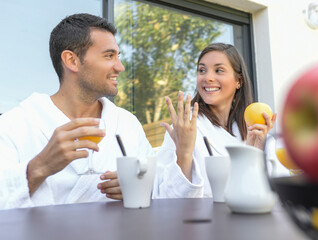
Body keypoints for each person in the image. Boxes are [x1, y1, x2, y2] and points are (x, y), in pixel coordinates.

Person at [0, 13, 153, 209]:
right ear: (71, 61)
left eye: (118, 56)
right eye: (109, 56)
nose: (120, 67)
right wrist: (40, 167)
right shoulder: (15, 125)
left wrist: (139, 189)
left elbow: (157, 188)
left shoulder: (127, 124)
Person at [153, 43, 279, 198]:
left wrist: (256, 151)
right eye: (202, 70)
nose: (208, 78)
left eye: (218, 70)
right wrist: (184, 154)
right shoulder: (184, 128)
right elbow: (165, 199)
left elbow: (271, 194)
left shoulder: (255, 132)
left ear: (239, 81)